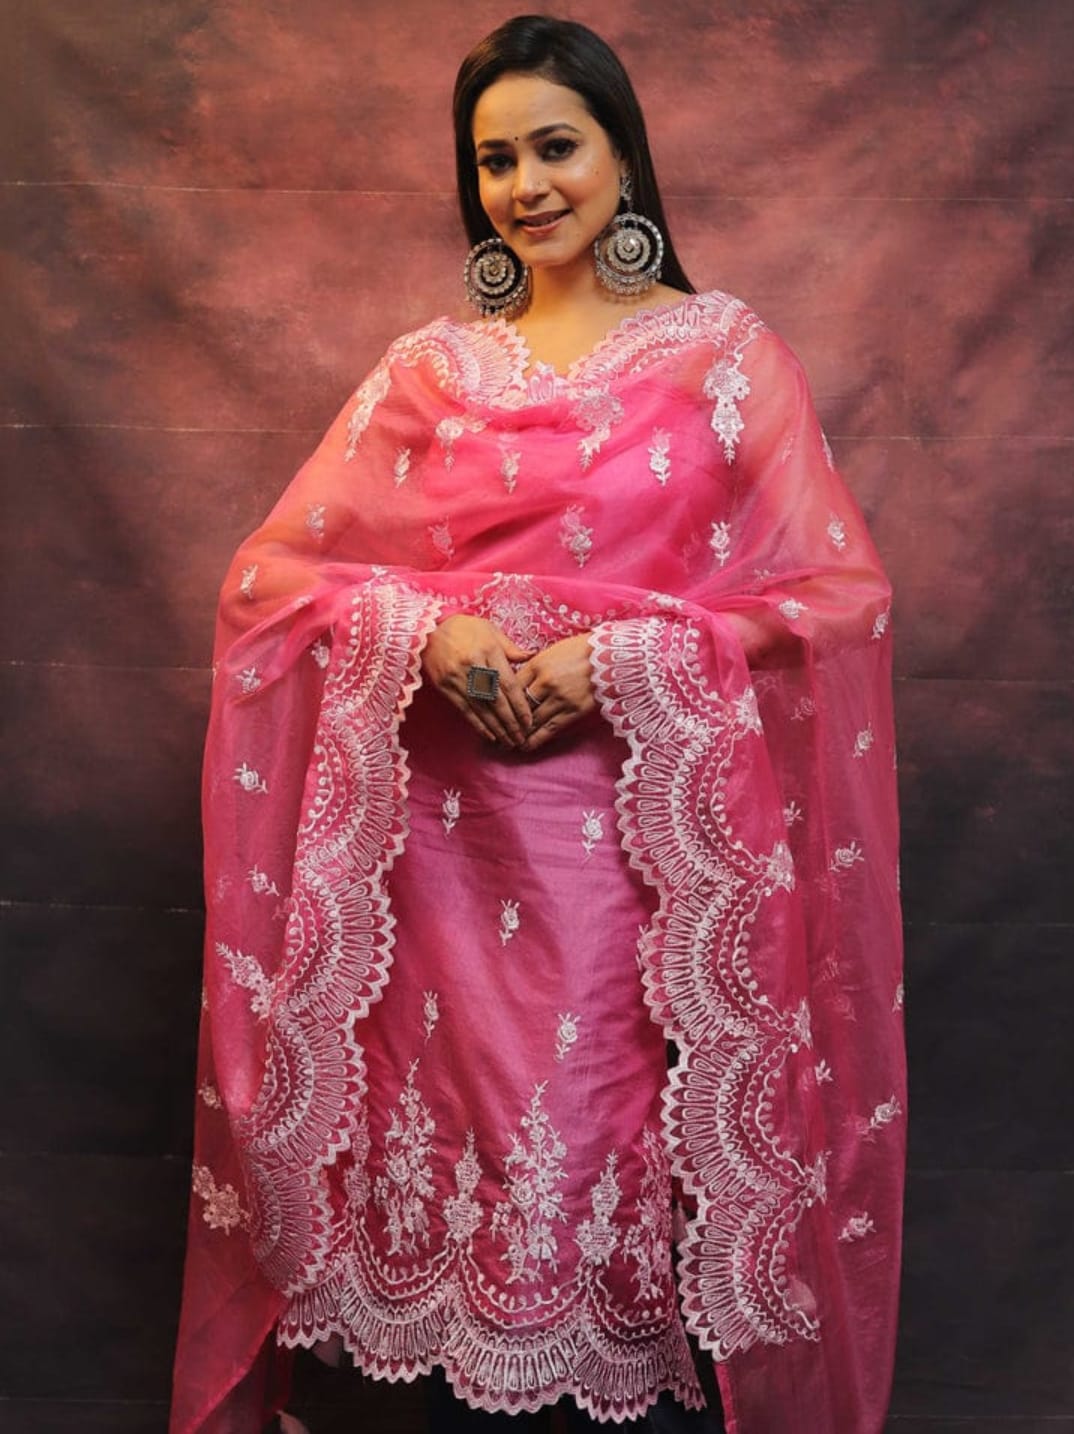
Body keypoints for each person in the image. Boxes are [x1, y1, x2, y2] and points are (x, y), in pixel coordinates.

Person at [170, 15, 905, 1434]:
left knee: (597, 1193)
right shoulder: (430, 371)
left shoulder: (721, 358)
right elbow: (273, 579)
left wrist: (631, 657)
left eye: (554, 147)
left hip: (630, 873)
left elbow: (836, 598)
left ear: (623, 155)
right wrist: (419, 632)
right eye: (493, 160)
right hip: (437, 883)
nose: (524, 186)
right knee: (453, 1228)